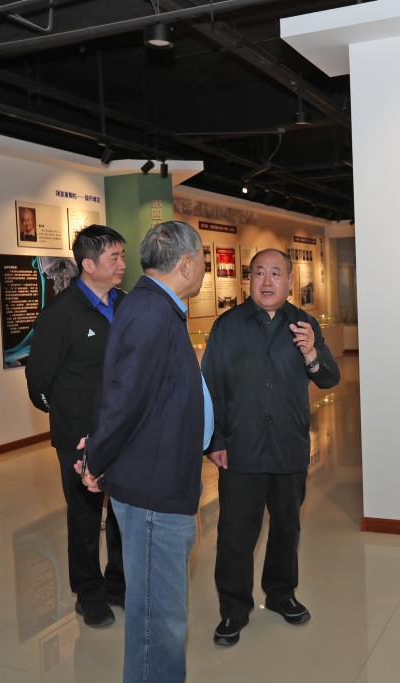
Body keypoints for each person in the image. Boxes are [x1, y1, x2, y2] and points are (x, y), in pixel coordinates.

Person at [78, 220, 211, 683]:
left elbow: (119, 390)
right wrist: (95, 459)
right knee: (159, 624)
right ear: (186, 263)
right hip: (154, 494)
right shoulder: (153, 313)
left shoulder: (152, 307)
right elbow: (124, 400)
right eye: (203, 259)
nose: (204, 269)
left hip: (160, 480)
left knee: (159, 616)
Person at [202, 249, 340, 646]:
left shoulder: (304, 324)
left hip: (288, 446)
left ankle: (281, 594)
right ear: (248, 279)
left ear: (290, 281)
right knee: (235, 533)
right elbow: (209, 387)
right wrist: (214, 441)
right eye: (259, 272)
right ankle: (233, 608)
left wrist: (311, 353)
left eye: (276, 273)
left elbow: (329, 378)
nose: (267, 281)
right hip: (240, 448)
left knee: (286, 528)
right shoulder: (227, 326)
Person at [25, 225, 128, 628]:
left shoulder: (126, 305)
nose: (122, 264)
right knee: (85, 516)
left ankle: (118, 584)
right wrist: (70, 424)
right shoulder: (60, 314)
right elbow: (39, 381)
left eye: (122, 256)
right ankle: (89, 593)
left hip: (122, 432)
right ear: (89, 264)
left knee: (121, 512)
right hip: (80, 437)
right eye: (114, 257)